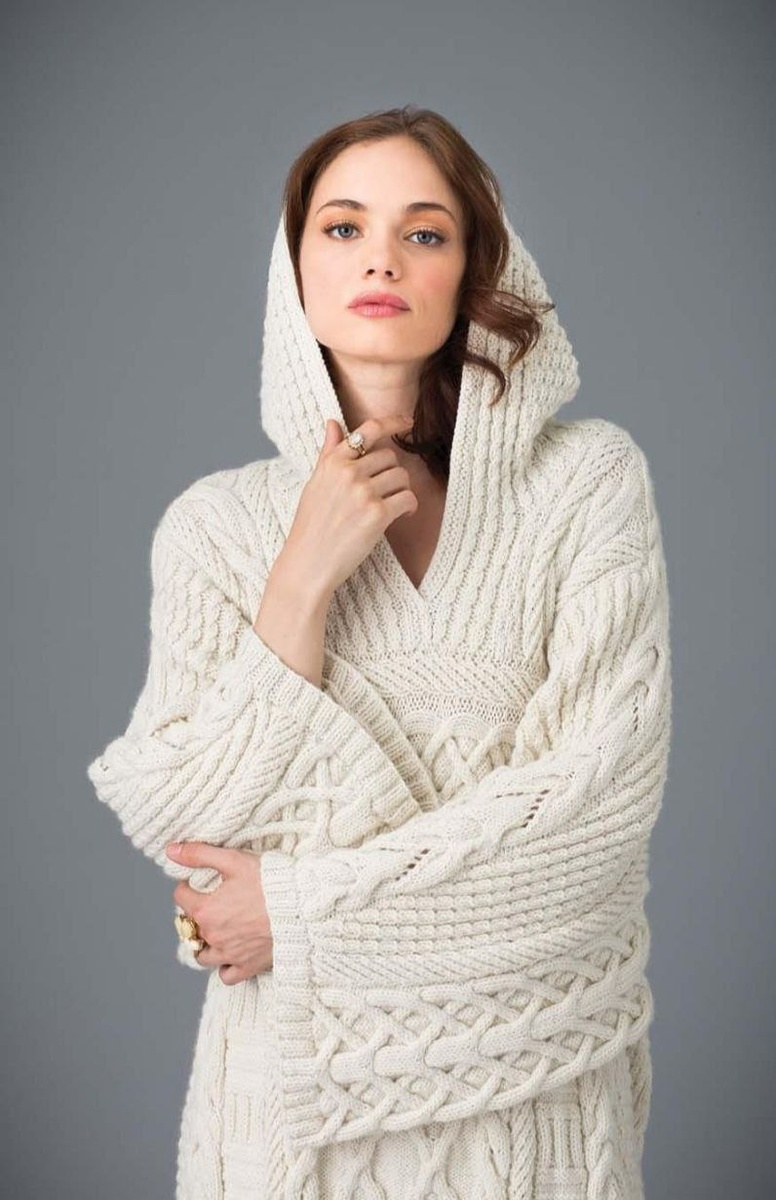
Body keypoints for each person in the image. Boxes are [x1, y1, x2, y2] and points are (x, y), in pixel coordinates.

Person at [87, 105, 672, 1200]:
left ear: (474, 271)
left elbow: (594, 815)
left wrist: (295, 911)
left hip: (531, 1117)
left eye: (425, 232)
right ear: (294, 271)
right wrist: (301, 579)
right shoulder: (215, 530)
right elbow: (188, 824)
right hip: (288, 1131)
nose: (382, 259)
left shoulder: (584, 486)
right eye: (344, 227)